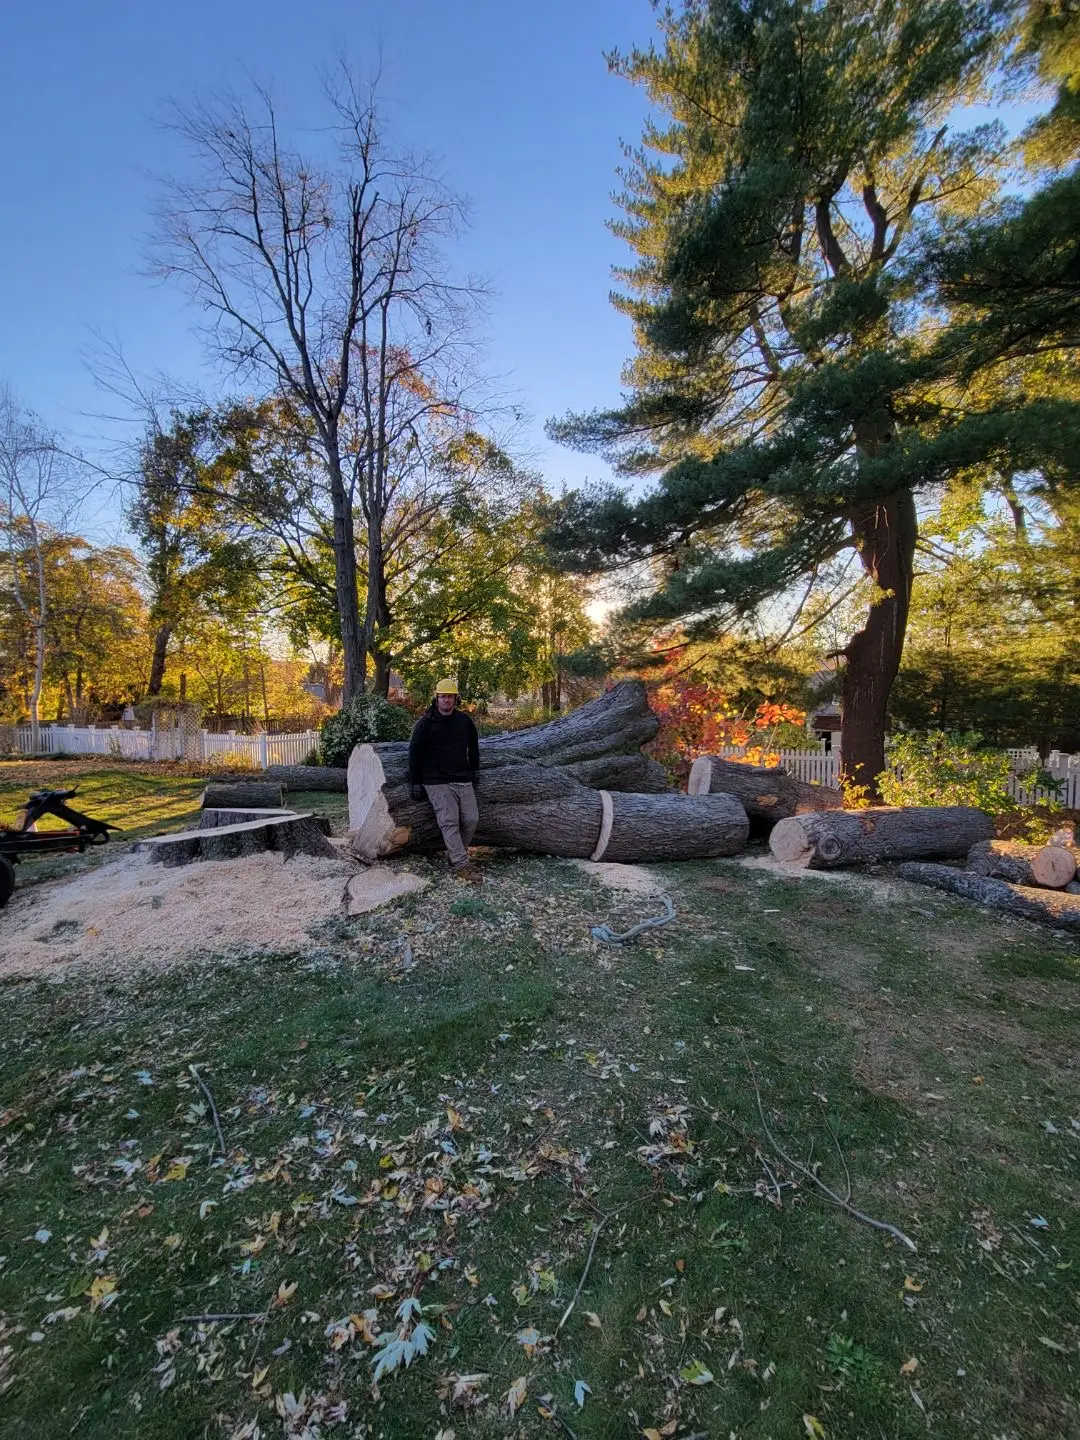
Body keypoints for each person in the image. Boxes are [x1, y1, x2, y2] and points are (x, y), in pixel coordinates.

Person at [408, 678, 482, 882]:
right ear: (436, 698)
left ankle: (456, 853)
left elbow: (473, 748)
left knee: (471, 818)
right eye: (442, 696)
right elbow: (414, 752)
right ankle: (461, 864)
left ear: (455, 699)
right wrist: (415, 782)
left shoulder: (464, 721)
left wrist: (475, 771)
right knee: (449, 822)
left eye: (450, 696)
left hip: (462, 777)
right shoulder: (425, 723)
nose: (446, 700)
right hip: (436, 780)